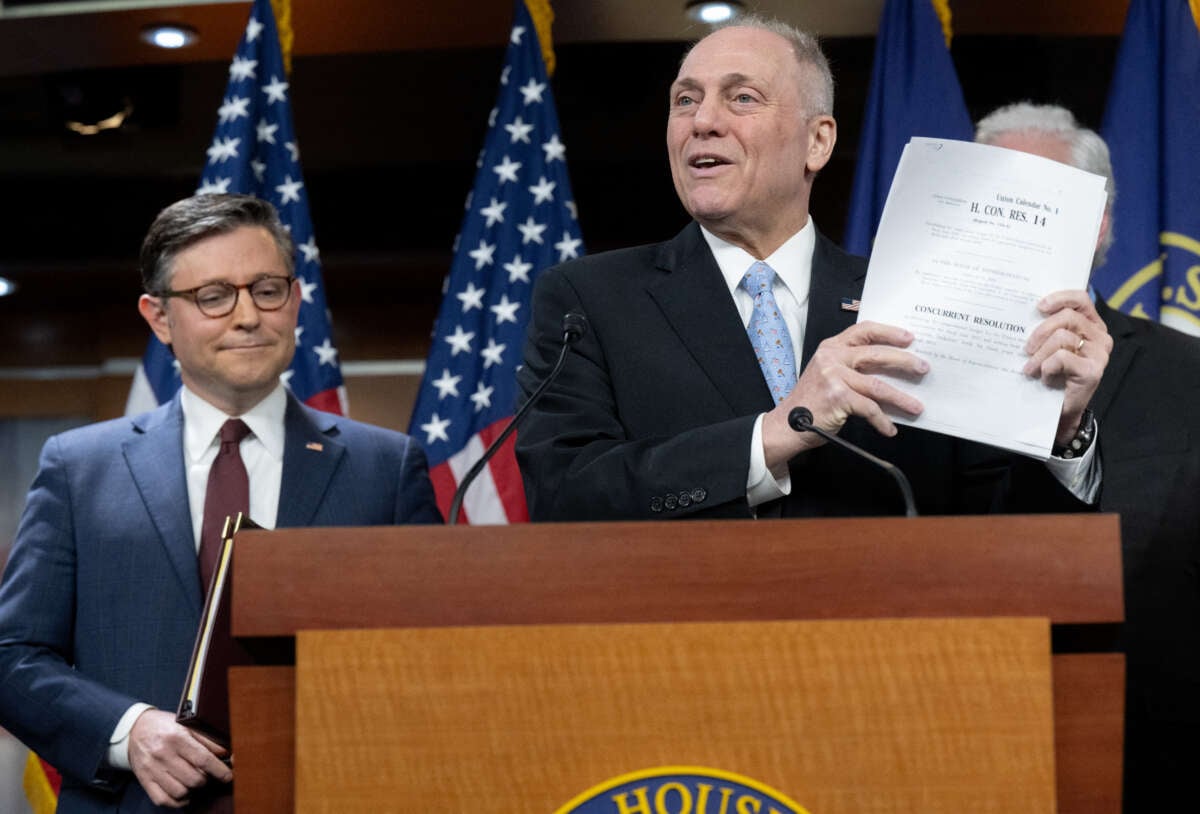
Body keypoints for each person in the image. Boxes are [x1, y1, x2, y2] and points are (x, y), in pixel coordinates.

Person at [516, 17, 1109, 521]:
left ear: (818, 142)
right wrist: (772, 436)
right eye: (685, 100)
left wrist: (1061, 431)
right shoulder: (587, 300)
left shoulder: (913, 299)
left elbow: (996, 530)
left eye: (742, 97)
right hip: (677, 648)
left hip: (889, 649)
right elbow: (562, 492)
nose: (703, 121)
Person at [0, 193, 442, 812]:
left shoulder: (385, 469)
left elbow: (436, 655)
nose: (247, 316)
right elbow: (12, 655)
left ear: (294, 300)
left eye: (266, 289)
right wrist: (129, 732)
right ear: (159, 318)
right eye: (214, 296)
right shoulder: (79, 468)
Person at [977, 101, 1200, 813]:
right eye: (992, 202)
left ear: (1100, 224)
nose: (1010, 223)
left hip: (1148, 756)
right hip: (948, 722)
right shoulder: (881, 366)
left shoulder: (1187, 373)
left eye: (1036, 205)